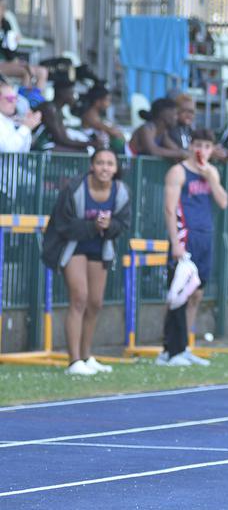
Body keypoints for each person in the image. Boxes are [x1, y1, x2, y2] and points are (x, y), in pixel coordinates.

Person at [41, 148, 130, 375]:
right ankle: (74, 361)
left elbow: (123, 224)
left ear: (116, 168)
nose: (105, 168)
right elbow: (62, 225)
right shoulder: (75, 188)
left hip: (100, 248)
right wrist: (93, 226)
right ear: (92, 165)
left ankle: (87, 355)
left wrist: (109, 226)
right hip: (73, 246)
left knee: (95, 303)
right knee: (79, 298)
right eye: (100, 163)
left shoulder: (120, 192)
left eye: (110, 163)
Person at [159, 128, 228, 367]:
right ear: (191, 146)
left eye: (207, 146)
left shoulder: (211, 172)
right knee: (180, 293)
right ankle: (171, 349)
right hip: (185, 236)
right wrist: (175, 242)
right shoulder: (178, 172)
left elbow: (223, 201)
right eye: (198, 145)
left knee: (196, 294)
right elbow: (169, 209)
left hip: (204, 236)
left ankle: (183, 346)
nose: (202, 151)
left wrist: (210, 177)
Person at [0, 0, 48, 91]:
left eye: (3, 8)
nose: (2, 10)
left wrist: (14, 42)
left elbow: (10, 51)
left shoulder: (6, 24)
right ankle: (23, 102)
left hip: (9, 61)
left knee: (42, 71)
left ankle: (36, 101)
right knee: (26, 72)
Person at [34, 77, 90, 152]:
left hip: (49, 145)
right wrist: (91, 143)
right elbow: (61, 139)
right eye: (72, 92)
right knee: (82, 152)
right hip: (39, 147)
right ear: (62, 93)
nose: (74, 96)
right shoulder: (49, 108)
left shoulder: (58, 110)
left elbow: (65, 137)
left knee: (83, 151)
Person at [78, 84, 126, 153]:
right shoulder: (90, 115)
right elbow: (113, 132)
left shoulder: (96, 115)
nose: (109, 104)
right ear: (98, 102)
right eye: (108, 100)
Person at [0, 81, 41, 152]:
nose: (14, 102)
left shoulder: (9, 121)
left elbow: (23, 151)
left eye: (15, 98)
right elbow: (7, 150)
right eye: (10, 98)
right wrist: (25, 127)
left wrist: (27, 125)